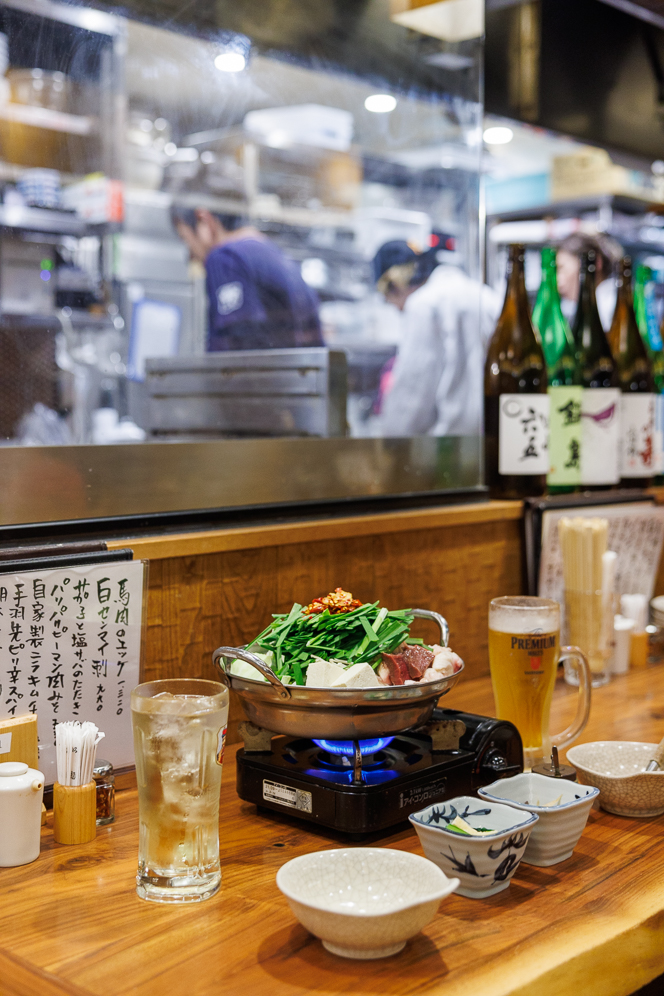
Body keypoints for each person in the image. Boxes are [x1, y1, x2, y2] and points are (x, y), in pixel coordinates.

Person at [375, 237, 500, 437]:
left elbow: (412, 394)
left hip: (444, 449)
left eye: (389, 300)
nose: (397, 309)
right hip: (490, 442)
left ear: (394, 285)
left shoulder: (422, 305)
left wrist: (390, 444)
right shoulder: (486, 296)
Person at [173, 208, 324, 351]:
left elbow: (236, 347)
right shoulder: (270, 252)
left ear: (203, 220)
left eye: (185, 239)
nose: (191, 256)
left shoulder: (226, 258)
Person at [556, 233, 623, 332]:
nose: (557, 278)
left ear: (594, 263)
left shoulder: (612, 306)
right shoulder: (569, 306)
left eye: (561, 268)